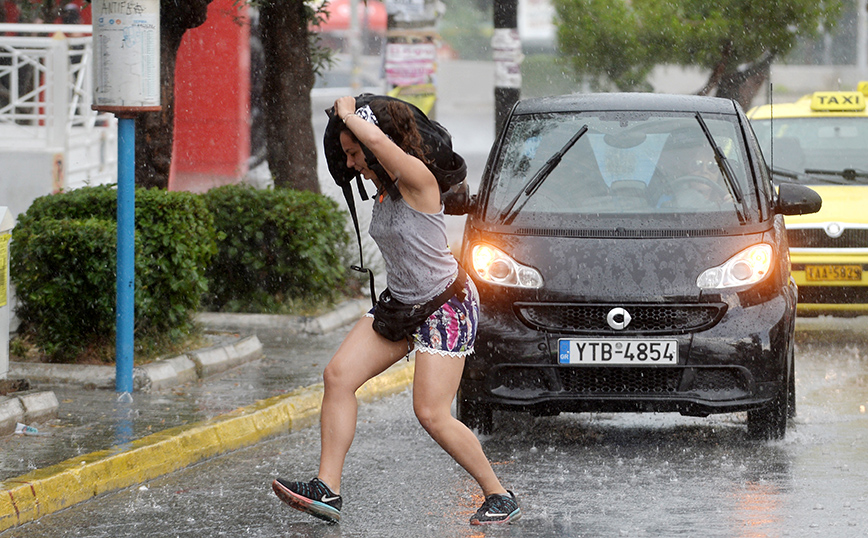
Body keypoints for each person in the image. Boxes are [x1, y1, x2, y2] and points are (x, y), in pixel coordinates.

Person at [271, 96, 521, 526]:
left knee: (430, 413)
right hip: (402, 304)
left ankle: (499, 495)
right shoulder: (384, 190)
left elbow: (379, 142)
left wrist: (350, 114)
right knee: (338, 377)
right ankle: (327, 489)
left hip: (446, 306)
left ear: (374, 145)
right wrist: (348, 126)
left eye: (354, 153)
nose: (350, 164)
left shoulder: (417, 180)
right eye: (347, 155)